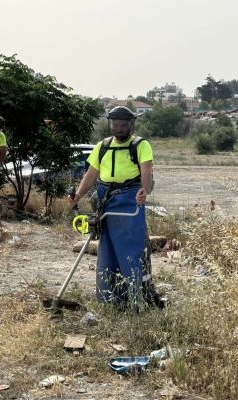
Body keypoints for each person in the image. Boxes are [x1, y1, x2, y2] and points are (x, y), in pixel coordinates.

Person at [68, 106, 164, 309]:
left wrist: (144, 191)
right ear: (111, 124)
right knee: (107, 249)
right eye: (116, 125)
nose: (119, 129)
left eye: (123, 125)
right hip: (105, 201)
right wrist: (78, 195)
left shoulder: (140, 145)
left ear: (131, 125)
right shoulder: (102, 147)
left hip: (130, 200)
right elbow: (91, 175)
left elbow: (146, 170)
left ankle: (137, 298)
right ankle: (110, 299)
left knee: (131, 249)